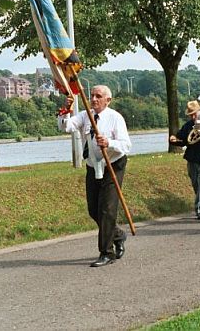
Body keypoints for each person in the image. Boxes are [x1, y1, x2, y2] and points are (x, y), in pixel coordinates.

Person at [59, 85, 131, 267]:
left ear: (108, 100)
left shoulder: (115, 118)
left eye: (98, 96)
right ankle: (117, 234)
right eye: (92, 95)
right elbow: (65, 127)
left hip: (113, 165)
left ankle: (107, 253)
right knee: (93, 209)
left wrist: (109, 142)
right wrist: (65, 110)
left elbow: (126, 145)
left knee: (107, 209)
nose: (94, 99)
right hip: (93, 165)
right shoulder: (85, 115)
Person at [170, 100, 200, 220]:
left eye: (195, 114)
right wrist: (173, 139)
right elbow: (182, 139)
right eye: (191, 115)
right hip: (191, 157)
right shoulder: (188, 125)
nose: (193, 117)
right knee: (196, 184)